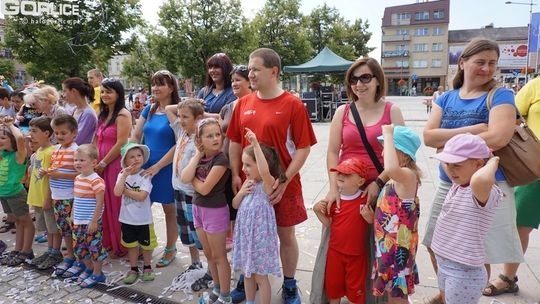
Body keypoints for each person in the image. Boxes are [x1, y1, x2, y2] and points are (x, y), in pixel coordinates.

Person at [422, 38, 523, 303]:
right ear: (463, 63)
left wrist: (449, 139)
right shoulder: (446, 97)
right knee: (435, 242)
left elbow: (499, 137)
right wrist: (476, 131)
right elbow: (428, 137)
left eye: (492, 63)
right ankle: (449, 292)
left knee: (479, 253)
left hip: (487, 187)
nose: (487, 69)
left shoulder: (501, 95)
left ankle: (466, 296)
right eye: (480, 62)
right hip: (450, 184)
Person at [227, 48, 317, 303]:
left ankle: (289, 283)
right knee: (248, 232)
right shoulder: (243, 103)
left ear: (274, 72)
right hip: (249, 188)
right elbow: (234, 141)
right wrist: (236, 174)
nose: (250, 74)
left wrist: (285, 180)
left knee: (285, 235)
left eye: (255, 69)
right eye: (249, 69)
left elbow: (304, 147)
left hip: (283, 186)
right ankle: (248, 279)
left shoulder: (293, 104)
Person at [316, 57, 404, 304]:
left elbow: (402, 154)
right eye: (354, 79)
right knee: (340, 244)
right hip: (346, 191)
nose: (359, 84)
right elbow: (333, 151)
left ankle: (370, 297)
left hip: (381, 191)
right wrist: (333, 189)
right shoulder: (342, 111)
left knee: (377, 249)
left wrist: (379, 181)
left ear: (378, 80)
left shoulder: (392, 110)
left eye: (365, 78)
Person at [430, 134, 503, 304]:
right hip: (446, 265)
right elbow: (442, 154)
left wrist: (492, 161)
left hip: (464, 273)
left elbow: (480, 178)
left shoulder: (482, 190)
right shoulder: (459, 184)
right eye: (448, 164)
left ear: (478, 164)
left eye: (456, 165)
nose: (450, 170)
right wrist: (449, 157)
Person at [489, 76, 540, 296]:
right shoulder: (536, 85)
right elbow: (512, 115)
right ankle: (508, 278)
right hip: (536, 168)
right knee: (521, 223)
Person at [181, 118, 231, 304]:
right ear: (200, 140)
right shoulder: (200, 158)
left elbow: (204, 189)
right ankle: (217, 288)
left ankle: (225, 296)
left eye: (217, 134)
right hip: (198, 209)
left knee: (219, 256)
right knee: (209, 254)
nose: (216, 138)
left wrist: (193, 179)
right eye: (209, 136)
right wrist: (196, 157)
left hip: (215, 211)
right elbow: (184, 176)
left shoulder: (221, 159)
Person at [131, 70, 179, 268]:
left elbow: (180, 143)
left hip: (166, 168)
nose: (156, 88)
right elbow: (135, 136)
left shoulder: (176, 110)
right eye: (154, 84)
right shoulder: (148, 109)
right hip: (145, 168)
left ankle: (170, 248)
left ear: (171, 88)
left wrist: (159, 166)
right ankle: (145, 244)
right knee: (142, 208)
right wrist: (133, 159)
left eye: (161, 84)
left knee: (169, 210)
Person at [370, 125, 422, 303]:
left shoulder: (407, 176)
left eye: (387, 149)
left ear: (402, 153)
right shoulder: (397, 179)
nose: (383, 154)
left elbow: (391, 168)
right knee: (393, 293)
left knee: (397, 295)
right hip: (389, 246)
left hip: (398, 247)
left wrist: (388, 133)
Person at [232, 128, 283, 304]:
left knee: (261, 277)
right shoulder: (248, 183)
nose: (243, 169)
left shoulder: (268, 184)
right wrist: (241, 193)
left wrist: (255, 144)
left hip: (260, 241)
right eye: (243, 164)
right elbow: (235, 205)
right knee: (248, 274)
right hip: (246, 238)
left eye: (247, 165)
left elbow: (264, 171)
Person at [313, 157, 370, 304]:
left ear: (361, 181)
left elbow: (375, 225)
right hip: (335, 253)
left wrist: (371, 217)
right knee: (334, 289)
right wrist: (317, 211)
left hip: (356, 255)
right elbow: (329, 224)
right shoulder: (334, 200)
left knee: (356, 292)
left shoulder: (365, 200)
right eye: (339, 173)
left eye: (347, 174)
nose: (341, 176)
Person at [165, 100, 205, 277]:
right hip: (178, 189)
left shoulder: (201, 138)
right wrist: (190, 103)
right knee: (185, 230)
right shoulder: (181, 131)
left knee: (198, 232)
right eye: (180, 116)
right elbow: (168, 108)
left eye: (185, 117)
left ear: (198, 119)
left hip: (192, 193)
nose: (180, 120)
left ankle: (210, 268)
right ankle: (195, 262)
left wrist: (200, 111)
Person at [94, 78, 131, 258]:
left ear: (118, 94)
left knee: (115, 203)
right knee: (104, 202)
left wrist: (103, 163)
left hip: (113, 163)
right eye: (102, 91)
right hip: (100, 162)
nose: (105, 95)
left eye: (109, 91)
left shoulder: (122, 114)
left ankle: (121, 245)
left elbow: (121, 142)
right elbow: (96, 139)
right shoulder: (103, 114)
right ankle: (108, 241)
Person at [219, 64, 251, 258]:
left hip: (247, 166)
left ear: (250, 82)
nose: (234, 83)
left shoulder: (255, 104)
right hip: (228, 165)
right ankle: (236, 244)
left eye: (238, 79)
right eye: (232, 80)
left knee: (245, 210)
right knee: (232, 207)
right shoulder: (228, 107)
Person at [114, 142, 157, 284]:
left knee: (146, 246)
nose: (136, 159)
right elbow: (116, 192)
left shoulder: (145, 175)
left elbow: (142, 196)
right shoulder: (122, 175)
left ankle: (147, 266)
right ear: (125, 161)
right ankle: (133, 268)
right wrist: (123, 177)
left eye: (139, 155)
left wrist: (126, 191)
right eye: (131, 157)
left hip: (143, 220)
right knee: (131, 245)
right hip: (127, 219)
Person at [26, 117, 63, 270]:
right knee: (47, 228)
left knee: (53, 227)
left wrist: (48, 197)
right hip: (37, 196)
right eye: (30, 131)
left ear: (47, 133)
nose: (31, 134)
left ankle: (55, 252)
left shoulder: (52, 152)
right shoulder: (38, 151)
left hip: (47, 197)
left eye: (34, 131)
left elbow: (51, 178)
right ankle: (49, 251)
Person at [46, 114, 79, 277]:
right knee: (64, 229)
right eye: (56, 133)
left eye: (63, 133)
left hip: (70, 196)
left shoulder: (76, 151)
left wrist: (60, 175)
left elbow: (81, 174)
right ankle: (71, 255)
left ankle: (80, 258)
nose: (59, 136)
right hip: (57, 196)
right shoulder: (55, 150)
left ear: (74, 133)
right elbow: (55, 170)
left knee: (75, 230)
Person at [70, 144, 107, 288]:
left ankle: (98, 273)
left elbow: (100, 203)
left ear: (94, 162)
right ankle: (89, 268)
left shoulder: (96, 181)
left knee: (94, 248)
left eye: (81, 160)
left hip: (91, 222)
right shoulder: (78, 178)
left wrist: (94, 221)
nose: (77, 163)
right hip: (78, 222)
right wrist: (72, 214)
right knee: (80, 248)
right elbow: (76, 198)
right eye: (76, 160)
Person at [0, 116, 31, 266]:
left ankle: (27, 250)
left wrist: (10, 124)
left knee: (26, 221)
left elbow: (20, 138)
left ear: (11, 139)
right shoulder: (2, 153)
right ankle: (18, 249)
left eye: (2, 138)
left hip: (16, 194)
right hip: (4, 194)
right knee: (18, 222)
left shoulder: (18, 155)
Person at [62, 77, 98, 145]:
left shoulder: (88, 114)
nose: (63, 95)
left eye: (64, 91)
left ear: (73, 91)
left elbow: (77, 139)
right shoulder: (75, 109)